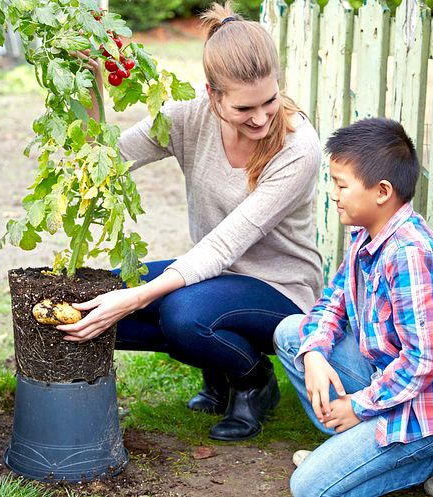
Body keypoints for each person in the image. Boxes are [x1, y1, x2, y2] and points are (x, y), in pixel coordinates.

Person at [58, 1, 323, 441]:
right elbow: (108, 160)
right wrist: (90, 91)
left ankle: (254, 383)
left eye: (270, 101)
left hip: (280, 287)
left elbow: (225, 244)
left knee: (181, 314)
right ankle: (219, 363)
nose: (260, 118)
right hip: (209, 272)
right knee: (96, 303)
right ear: (212, 93)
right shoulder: (187, 116)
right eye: (243, 109)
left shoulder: (297, 148)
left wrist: (138, 296)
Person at [273, 117, 433, 497]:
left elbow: (423, 362)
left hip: (428, 415)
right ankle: (352, 450)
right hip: (386, 380)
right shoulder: (365, 236)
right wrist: (316, 356)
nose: (333, 195)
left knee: (309, 489)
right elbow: (332, 303)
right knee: (293, 335)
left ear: (382, 191)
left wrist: (358, 404)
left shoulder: (410, 255)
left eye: (341, 185)